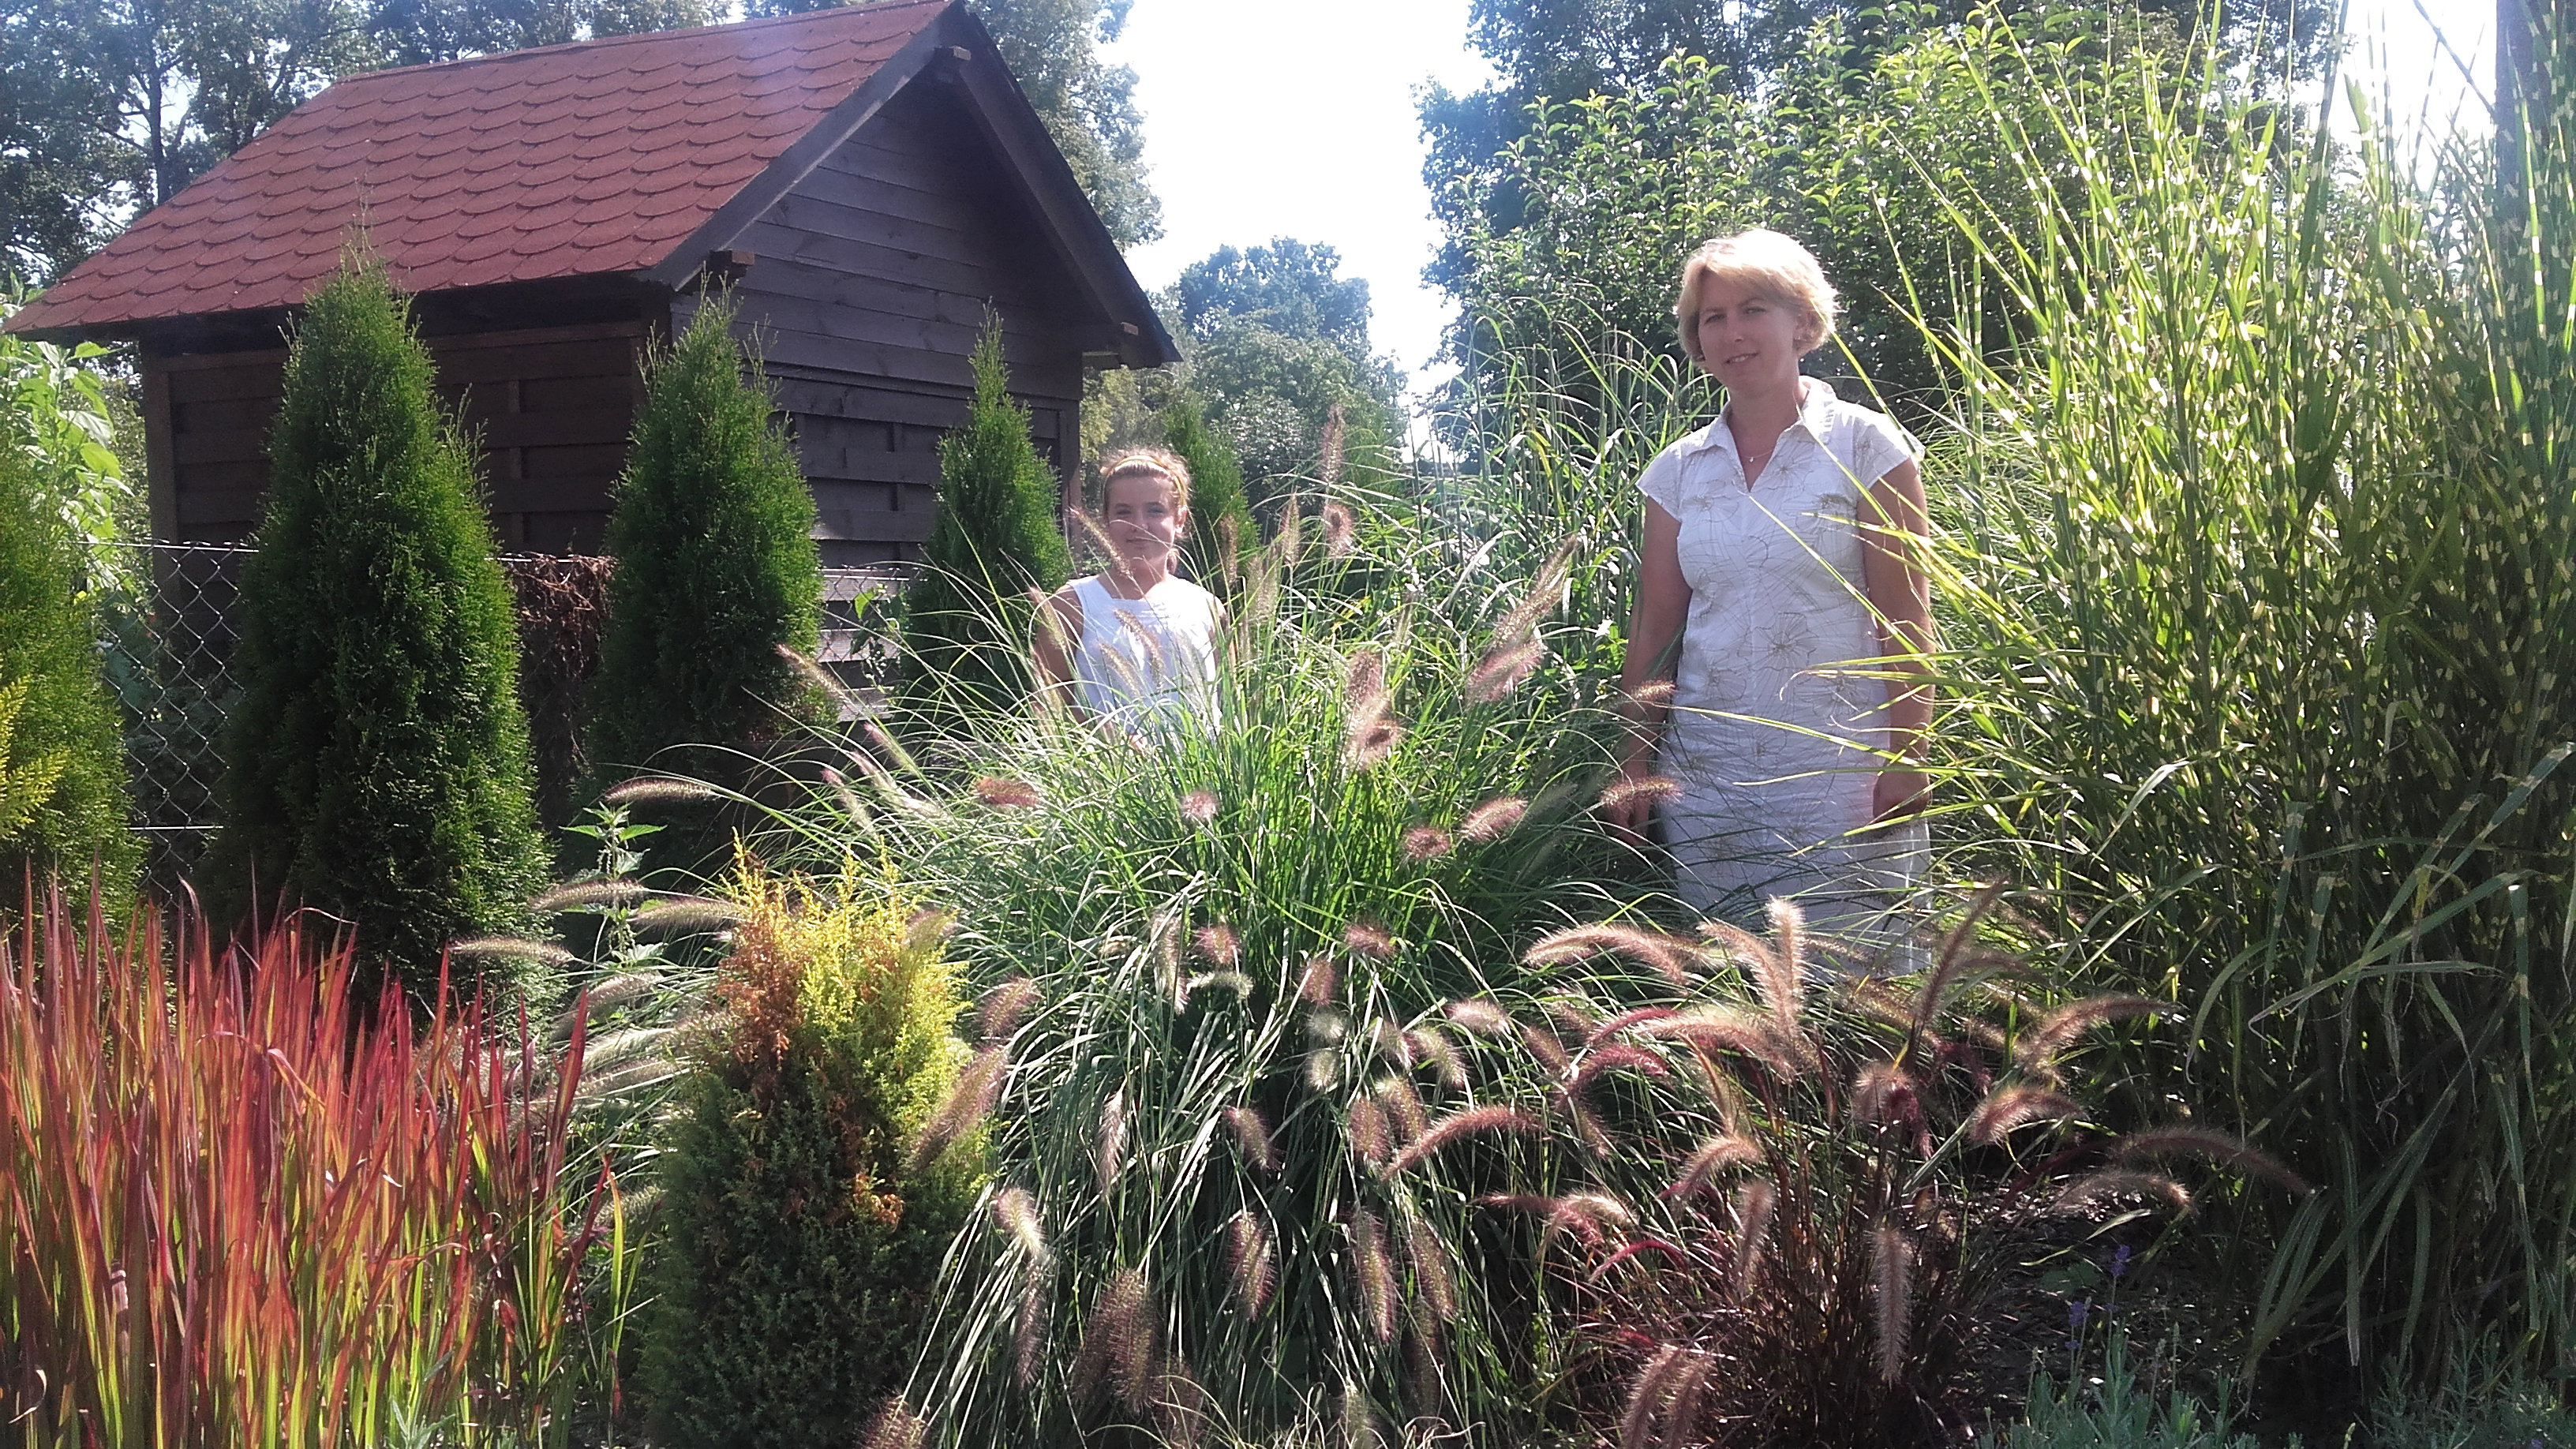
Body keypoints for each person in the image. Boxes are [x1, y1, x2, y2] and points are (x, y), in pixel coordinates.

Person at [1601, 230, 1933, 941]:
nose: (1732, 333)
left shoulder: (1866, 446)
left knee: (1860, 978)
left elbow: (1906, 619)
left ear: (1803, 323)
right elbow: (1656, 631)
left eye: (1753, 310)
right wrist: (1634, 762)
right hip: (1708, 780)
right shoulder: (1677, 473)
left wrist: (1909, 757)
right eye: (1712, 318)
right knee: (1727, 978)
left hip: (1841, 774)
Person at [1032, 448, 1222, 735]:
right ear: (1105, 520)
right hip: (1104, 764)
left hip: (1202, 765)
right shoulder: (1073, 604)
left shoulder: (1207, 607)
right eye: (1124, 512)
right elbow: (1046, 708)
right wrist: (1105, 736)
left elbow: (1231, 705)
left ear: (1179, 518)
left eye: (1155, 510)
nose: (1139, 525)